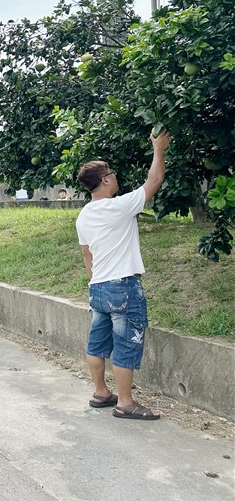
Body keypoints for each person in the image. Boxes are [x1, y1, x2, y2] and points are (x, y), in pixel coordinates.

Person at [75, 129, 171, 420]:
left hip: (99, 287)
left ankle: (101, 393)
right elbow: (154, 181)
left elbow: (87, 256)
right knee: (126, 343)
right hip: (123, 287)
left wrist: (95, 283)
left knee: (97, 343)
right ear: (105, 180)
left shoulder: (83, 215)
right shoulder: (119, 206)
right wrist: (159, 148)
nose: (116, 177)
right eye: (113, 174)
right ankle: (126, 402)